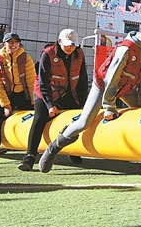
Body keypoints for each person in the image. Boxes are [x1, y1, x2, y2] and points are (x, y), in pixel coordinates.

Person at [39, 8, 141, 173]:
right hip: (103, 85)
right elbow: (111, 79)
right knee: (84, 122)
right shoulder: (126, 48)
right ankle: (54, 147)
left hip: (127, 88)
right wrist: (109, 107)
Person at [17, 29, 89, 171]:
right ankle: (29, 156)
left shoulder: (79, 54)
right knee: (40, 118)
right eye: (67, 44)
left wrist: (83, 104)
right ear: (59, 41)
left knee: (75, 118)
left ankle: (72, 150)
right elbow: (43, 82)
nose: (70, 48)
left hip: (68, 92)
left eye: (73, 45)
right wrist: (49, 105)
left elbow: (82, 81)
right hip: (46, 92)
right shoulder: (48, 54)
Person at [0, 33, 36, 165]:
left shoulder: (25, 57)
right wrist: (6, 105)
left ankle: (32, 150)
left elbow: (32, 80)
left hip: (22, 93)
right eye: (10, 42)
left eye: (16, 42)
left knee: (35, 117)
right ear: (4, 44)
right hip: (4, 94)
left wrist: (34, 101)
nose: (13, 45)